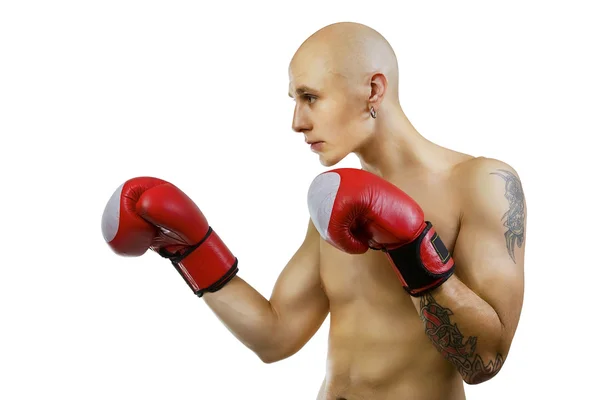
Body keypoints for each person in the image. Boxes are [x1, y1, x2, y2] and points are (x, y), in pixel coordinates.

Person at [101, 22, 526, 400]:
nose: (297, 122)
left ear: (373, 90)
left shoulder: (480, 183)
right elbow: (275, 336)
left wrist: (412, 245)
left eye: (310, 97)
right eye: (295, 100)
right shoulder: (337, 204)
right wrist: (191, 249)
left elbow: (484, 364)